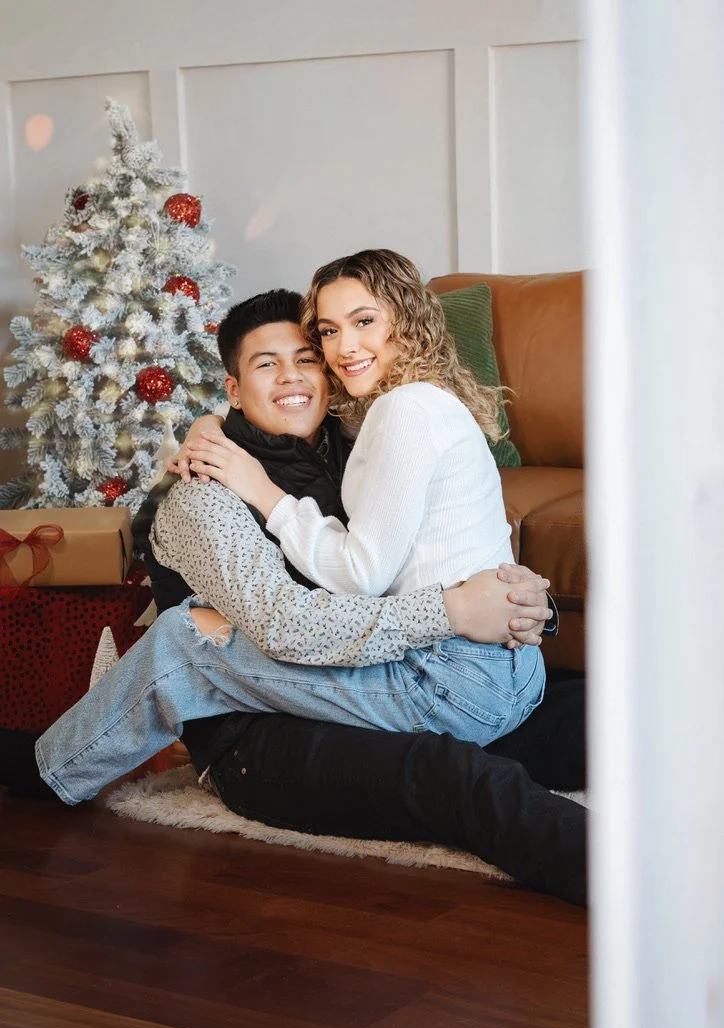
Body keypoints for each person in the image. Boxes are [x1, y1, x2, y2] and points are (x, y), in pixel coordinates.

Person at [2, 290, 586, 906]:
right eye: (265, 364)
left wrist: (524, 607)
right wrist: (454, 610)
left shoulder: (357, 452)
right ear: (232, 390)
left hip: (373, 684)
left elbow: (445, 544)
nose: (291, 378)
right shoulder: (206, 496)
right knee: (452, 776)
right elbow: (289, 625)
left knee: (580, 707)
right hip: (259, 738)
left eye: (306, 358)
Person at [184, 251, 545, 747]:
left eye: (364, 322)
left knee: (182, 648)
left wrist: (265, 493)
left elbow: (361, 577)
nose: (344, 348)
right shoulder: (389, 408)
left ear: (408, 320)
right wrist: (211, 425)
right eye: (329, 332)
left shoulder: (402, 410)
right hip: (510, 667)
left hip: (448, 671)